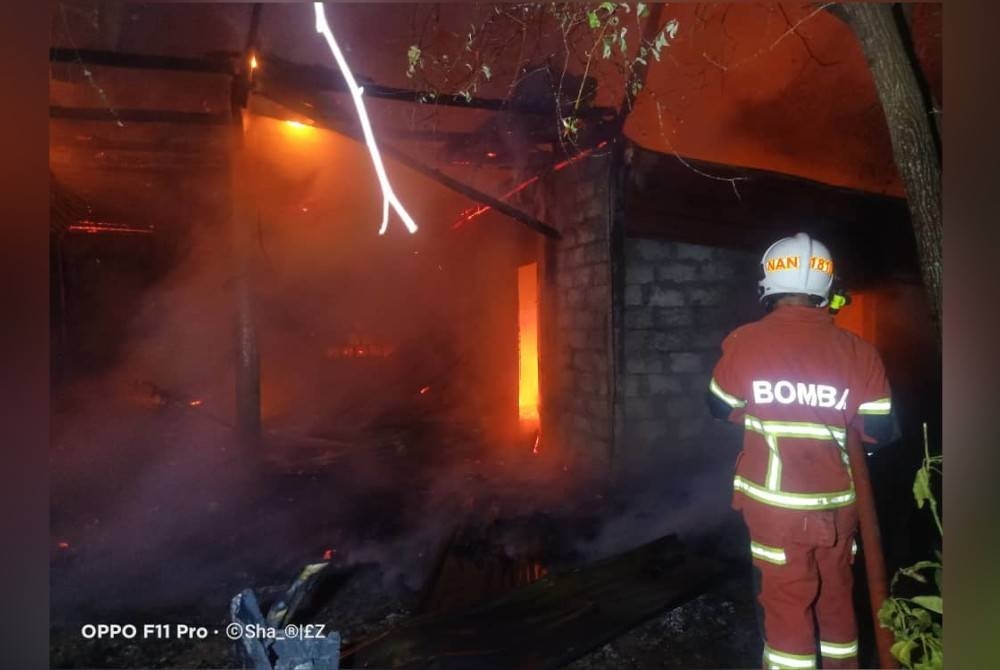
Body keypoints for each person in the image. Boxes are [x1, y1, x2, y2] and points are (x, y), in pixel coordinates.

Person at [706, 232, 898, 669]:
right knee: (836, 601)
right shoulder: (859, 351)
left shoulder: (746, 342)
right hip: (839, 505)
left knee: (787, 607)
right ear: (827, 291)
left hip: (777, 511)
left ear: (768, 285)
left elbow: (720, 407)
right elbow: (880, 431)